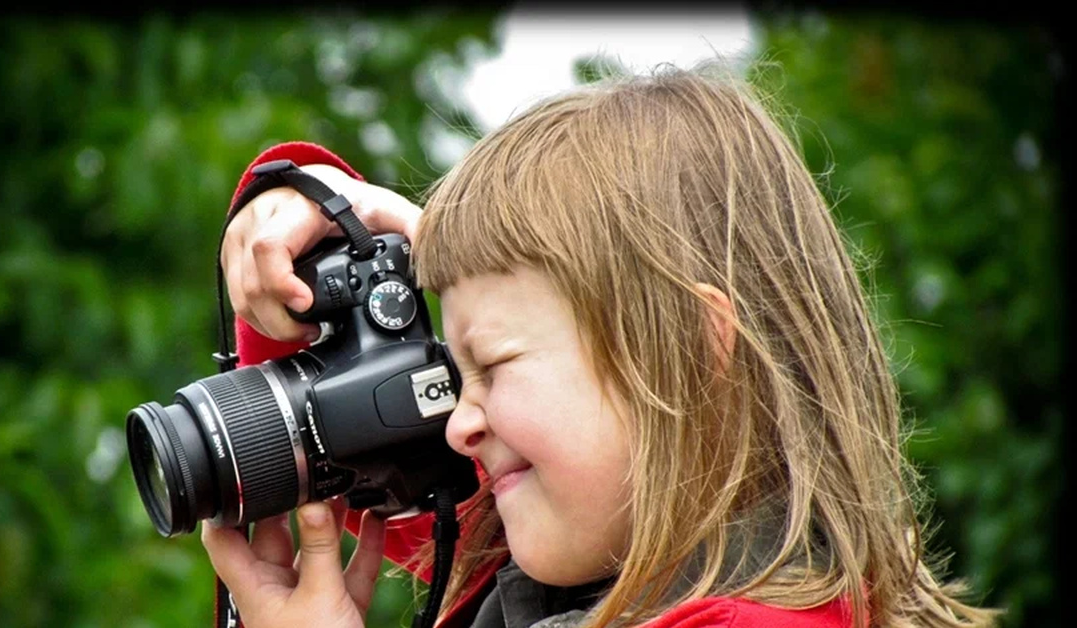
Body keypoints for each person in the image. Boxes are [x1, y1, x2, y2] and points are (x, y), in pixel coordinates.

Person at [199, 63, 1000, 628]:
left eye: (495, 365)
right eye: (454, 367)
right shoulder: (562, 531)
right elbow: (338, 442)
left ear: (687, 356)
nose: (455, 423)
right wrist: (298, 235)